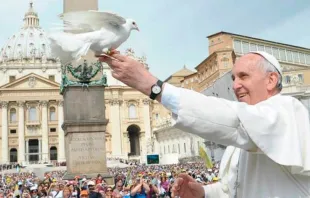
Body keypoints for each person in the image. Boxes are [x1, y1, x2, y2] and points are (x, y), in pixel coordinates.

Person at [99, 50, 310, 198]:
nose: (235, 85)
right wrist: (204, 192)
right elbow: (232, 189)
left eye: (244, 76)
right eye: (234, 78)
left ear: (271, 80)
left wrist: (154, 87)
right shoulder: (239, 143)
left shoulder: (288, 110)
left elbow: (234, 120)